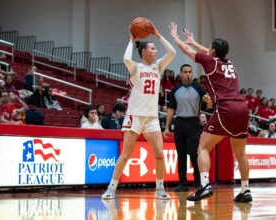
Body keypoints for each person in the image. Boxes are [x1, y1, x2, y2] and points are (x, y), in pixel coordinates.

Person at [169, 22, 251, 202]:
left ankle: (205, 185)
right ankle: (245, 190)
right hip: (243, 108)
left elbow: (187, 51)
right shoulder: (229, 63)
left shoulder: (209, 61)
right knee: (241, 153)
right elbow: (210, 51)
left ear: (213, 51)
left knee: (203, 146)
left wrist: (175, 37)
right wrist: (194, 41)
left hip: (227, 108)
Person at [102, 22, 176, 200]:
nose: (156, 51)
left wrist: (158, 35)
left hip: (151, 117)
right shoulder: (136, 67)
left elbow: (172, 52)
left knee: (159, 154)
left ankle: (159, 188)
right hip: (134, 115)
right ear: (144, 52)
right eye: (153, 48)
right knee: (126, 153)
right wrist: (131, 40)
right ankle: (112, 187)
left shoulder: (158, 66)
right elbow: (126, 59)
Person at [163, 64, 206, 192]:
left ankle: (198, 182)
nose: (187, 74)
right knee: (181, 155)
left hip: (193, 123)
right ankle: (182, 183)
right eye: (185, 72)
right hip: (179, 123)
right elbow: (171, 109)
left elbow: (209, 102)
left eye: (190, 72)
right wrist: (166, 128)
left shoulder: (199, 89)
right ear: (181, 74)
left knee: (193, 153)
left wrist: (208, 103)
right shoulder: (175, 90)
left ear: (192, 74)